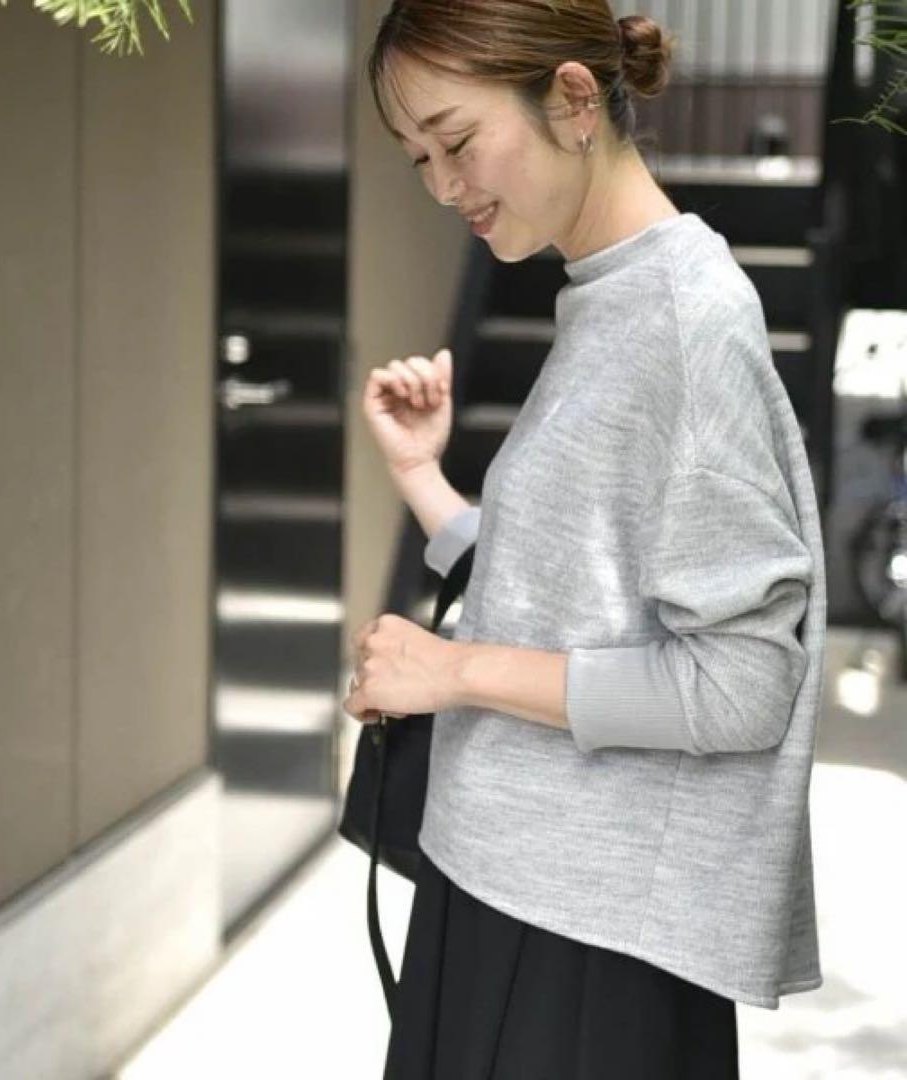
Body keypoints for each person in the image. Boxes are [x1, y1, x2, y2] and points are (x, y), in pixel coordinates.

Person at [342, 1, 828, 1077]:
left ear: (570, 99)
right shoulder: (610, 295)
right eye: (418, 157)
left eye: (457, 142)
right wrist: (423, 480)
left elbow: (742, 681)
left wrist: (452, 671)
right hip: (524, 891)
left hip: (583, 948)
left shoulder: (685, 322)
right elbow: (577, 589)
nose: (443, 187)